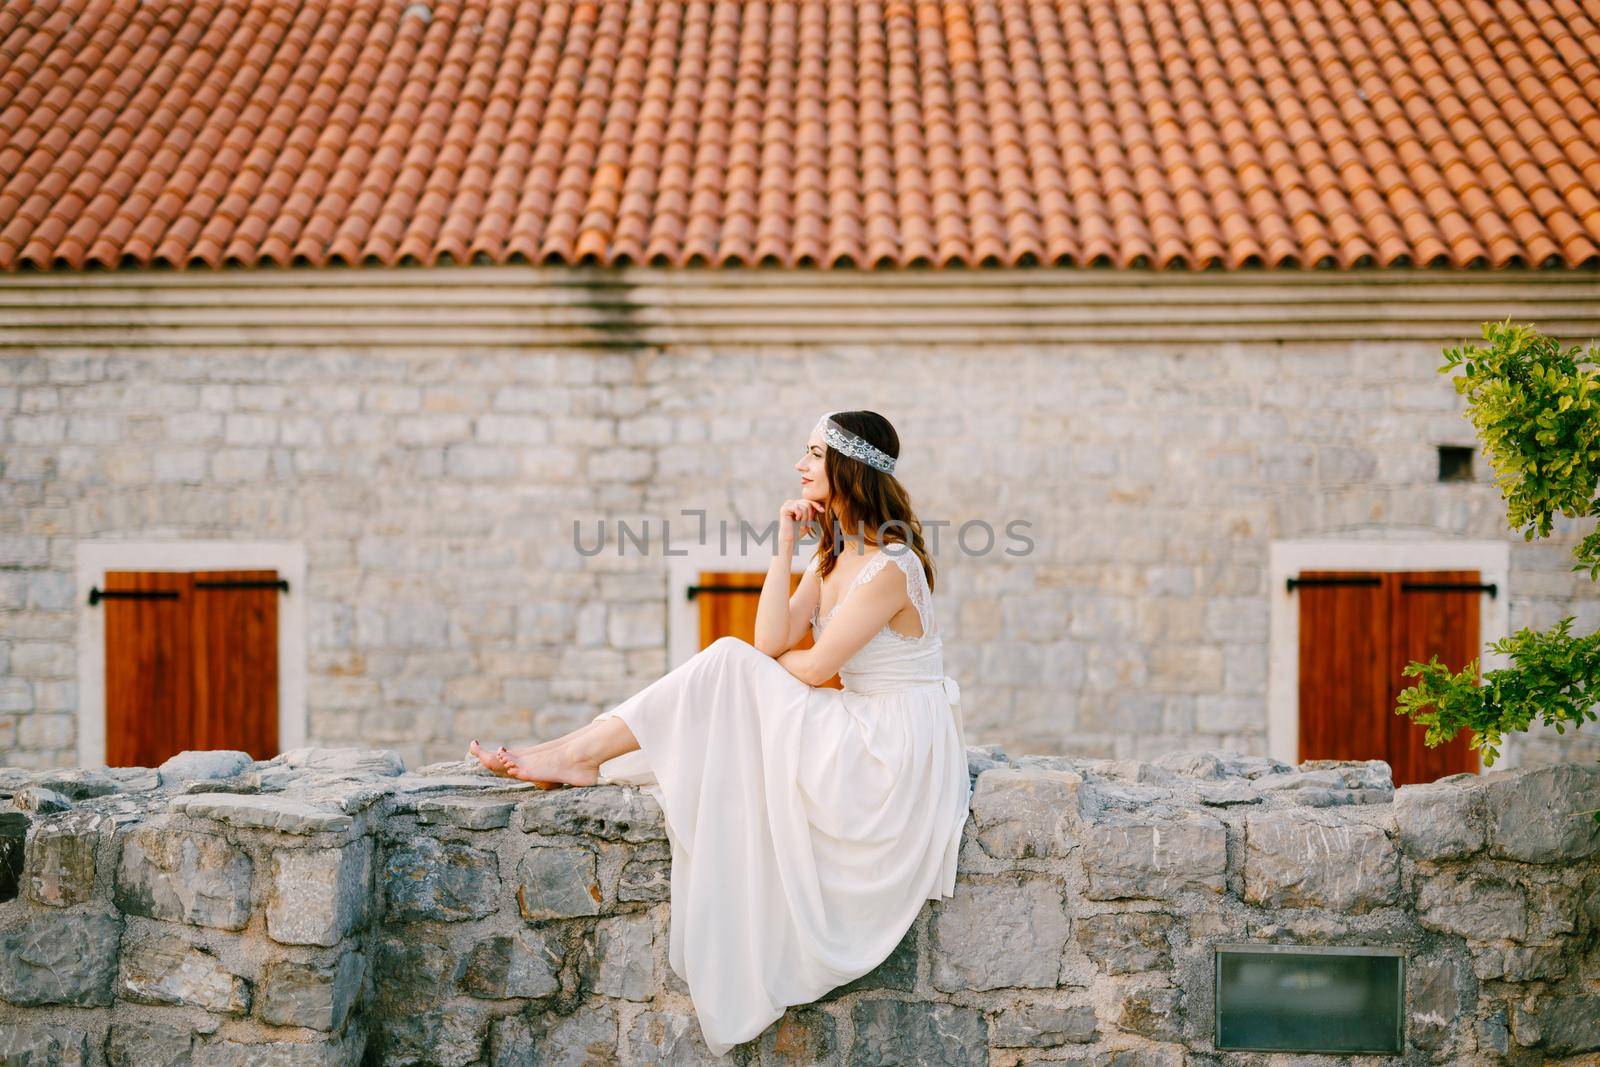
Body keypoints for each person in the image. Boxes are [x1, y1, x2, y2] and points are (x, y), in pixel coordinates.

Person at [467, 409, 971, 1056]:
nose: (800, 464)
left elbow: (813, 667)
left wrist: (753, 673)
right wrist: (784, 547)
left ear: (847, 468)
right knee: (735, 661)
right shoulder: (836, 559)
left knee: (730, 664)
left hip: (892, 748)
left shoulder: (892, 566)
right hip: (861, 724)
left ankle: (576, 752)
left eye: (813, 454)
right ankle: (571, 752)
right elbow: (770, 638)